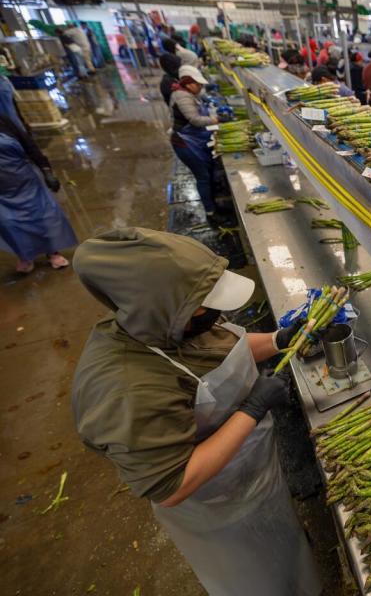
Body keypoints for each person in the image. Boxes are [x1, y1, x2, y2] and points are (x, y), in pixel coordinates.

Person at [72, 227, 322, 595]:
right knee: (260, 578)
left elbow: (222, 350)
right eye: (206, 304)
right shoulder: (126, 389)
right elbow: (171, 485)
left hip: (251, 476)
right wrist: (252, 410)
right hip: (217, 510)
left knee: (288, 552)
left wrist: (276, 340)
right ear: (168, 308)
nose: (215, 314)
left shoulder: (167, 322)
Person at [0, 115, 77, 273]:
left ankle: (53, 252)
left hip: (25, 181)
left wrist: (47, 171)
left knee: (43, 216)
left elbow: (29, 145)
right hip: (1, 193)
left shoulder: (3, 121)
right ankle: (25, 256)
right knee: (8, 223)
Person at [169, 65, 221, 219]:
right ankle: (211, 212)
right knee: (203, 176)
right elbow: (195, 120)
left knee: (208, 172)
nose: (200, 88)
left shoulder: (187, 93)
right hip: (185, 143)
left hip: (195, 141)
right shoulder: (183, 96)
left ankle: (213, 203)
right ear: (189, 84)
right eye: (199, 85)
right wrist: (215, 119)